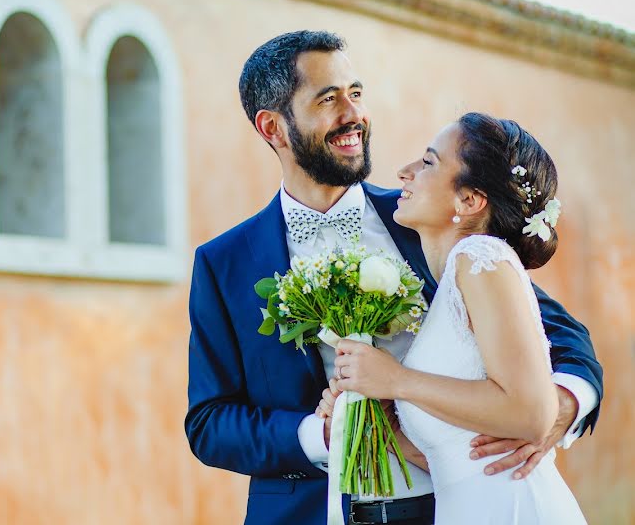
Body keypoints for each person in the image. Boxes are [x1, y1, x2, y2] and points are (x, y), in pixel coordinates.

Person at [184, 31, 603, 525]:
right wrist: (322, 433)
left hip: (444, 507)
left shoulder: (428, 219)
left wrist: (554, 412)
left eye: (356, 93)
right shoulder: (225, 262)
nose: (353, 114)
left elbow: (561, 336)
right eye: (328, 98)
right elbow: (209, 423)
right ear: (273, 127)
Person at [318, 112, 589, 523]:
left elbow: (532, 415)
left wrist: (397, 379)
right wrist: (369, 403)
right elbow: (453, 455)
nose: (404, 173)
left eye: (428, 162)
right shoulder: (455, 282)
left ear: (468, 200)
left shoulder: (480, 256)